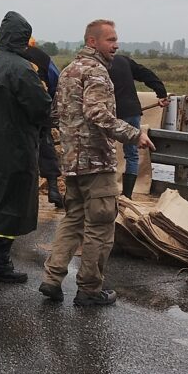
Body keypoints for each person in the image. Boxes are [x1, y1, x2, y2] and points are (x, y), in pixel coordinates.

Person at [40, 19, 154, 307]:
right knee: (101, 225)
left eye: (116, 40)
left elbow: (55, 112)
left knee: (73, 220)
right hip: (96, 163)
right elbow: (97, 113)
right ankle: (90, 289)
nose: (116, 45)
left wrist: (69, 142)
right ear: (92, 42)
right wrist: (133, 135)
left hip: (72, 163)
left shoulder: (68, 71)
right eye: (110, 40)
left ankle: (52, 279)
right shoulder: (97, 72)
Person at [0, 11, 51, 283]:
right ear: (23, 39)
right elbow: (40, 108)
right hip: (14, 148)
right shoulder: (22, 69)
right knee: (11, 204)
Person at [108, 48, 169, 198]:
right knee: (132, 154)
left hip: (110, 113)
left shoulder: (96, 64)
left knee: (106, 152)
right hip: (131, 111)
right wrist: (161, 93)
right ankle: (127, 195)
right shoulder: (124, 60)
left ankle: (107, 191)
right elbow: (146, 74)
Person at [24, 42, 65, 209]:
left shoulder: (11, 57)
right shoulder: (43, 58)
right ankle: (53, 188)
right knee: (46, 145)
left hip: (20, 111)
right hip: (42, 108)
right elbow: (56, 79)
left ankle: (26, 194)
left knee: (24, 150)